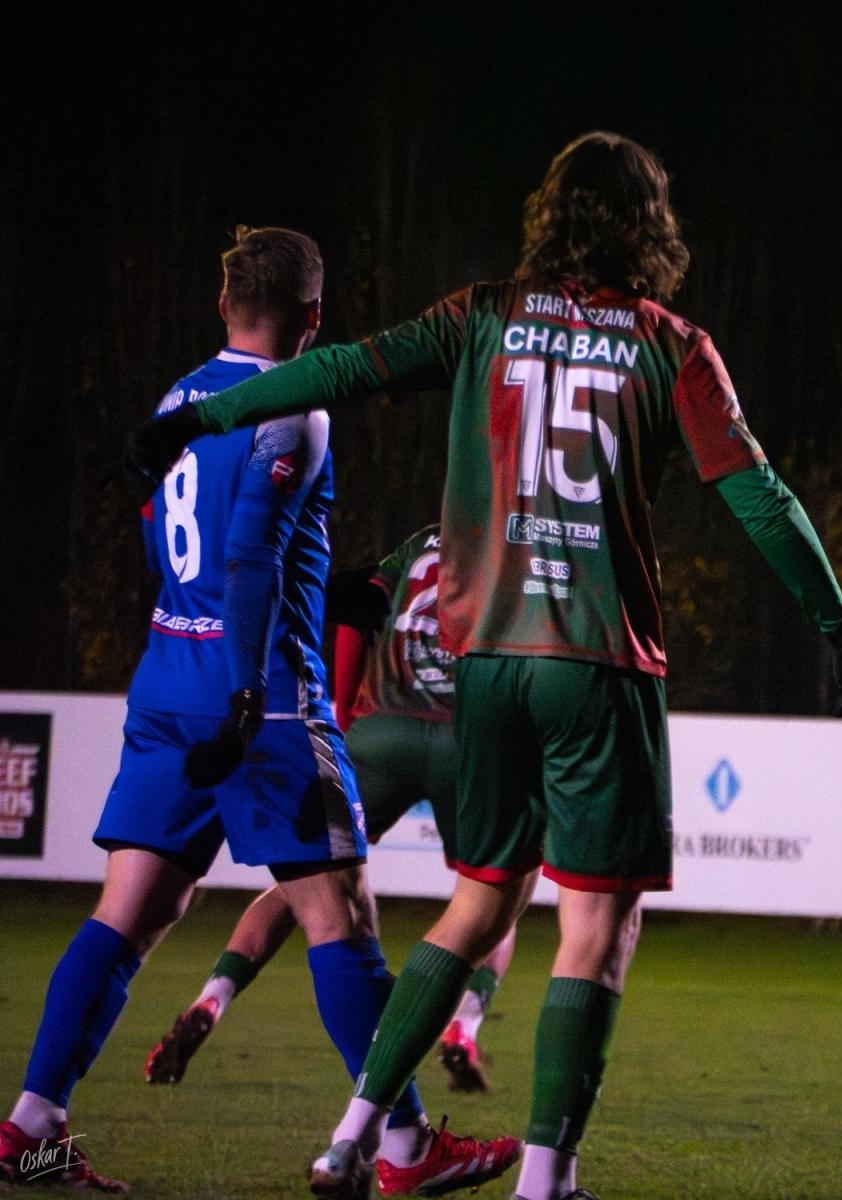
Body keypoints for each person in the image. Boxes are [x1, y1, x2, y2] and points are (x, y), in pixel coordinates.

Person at [121, 132, 842, 1200]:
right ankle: (544, 1179)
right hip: (596, 664)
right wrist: (841, 629)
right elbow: (760, 498)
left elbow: (344, 368)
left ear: (549, 216)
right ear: (648, 225)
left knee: (480, 898)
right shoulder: (672, 344)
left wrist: (198, 417)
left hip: (484, 663)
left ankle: (351, 1137)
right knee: (598, 922)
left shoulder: (481, 315)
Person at [0, 227, 518, 1196]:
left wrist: (298, 607)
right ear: (316, 316)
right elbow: (248, 558)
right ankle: (403, 1150)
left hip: (166, 675)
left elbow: (175, 541)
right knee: (341, 915)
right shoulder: (299, 408)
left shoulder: (173, 399)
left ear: (221, 305)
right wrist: (249, 687)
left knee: (134, 906)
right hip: (263, 698)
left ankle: (32, 1123)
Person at [144, 522, 520, 1094]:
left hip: (382, 733)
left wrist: (343, 721)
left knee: (305, 886)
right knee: (494, 895)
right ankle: (462, 1026)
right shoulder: (516, 542)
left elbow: (351, 607)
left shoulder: (416, 542)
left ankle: (213, 996)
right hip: (463, 740)